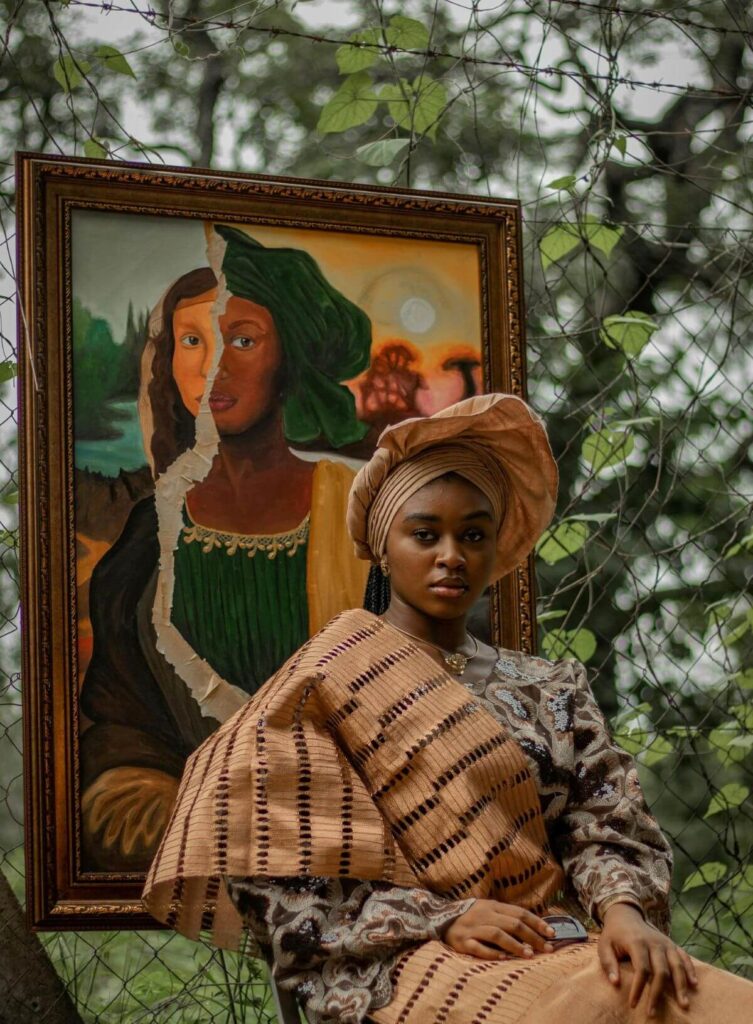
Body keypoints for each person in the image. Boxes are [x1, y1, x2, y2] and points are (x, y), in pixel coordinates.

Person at [142, 393, 753, 1022]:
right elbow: (276, 874)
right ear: (384, 545)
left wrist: (626, 917)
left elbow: (606, 823)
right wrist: (444, 917)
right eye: (425, 534)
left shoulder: (549, 687)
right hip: (408, 962)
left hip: (561, 941)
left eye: (474, 535)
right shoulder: (323, 682)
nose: (452, 556)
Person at [79, 226, 371, 870]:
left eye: (242, 340)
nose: (213, 366)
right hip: (189, 824)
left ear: (286, 354)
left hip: (360, 816)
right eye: (193, 341)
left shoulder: (356, 513)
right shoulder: (146, 537)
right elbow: (121, 720)